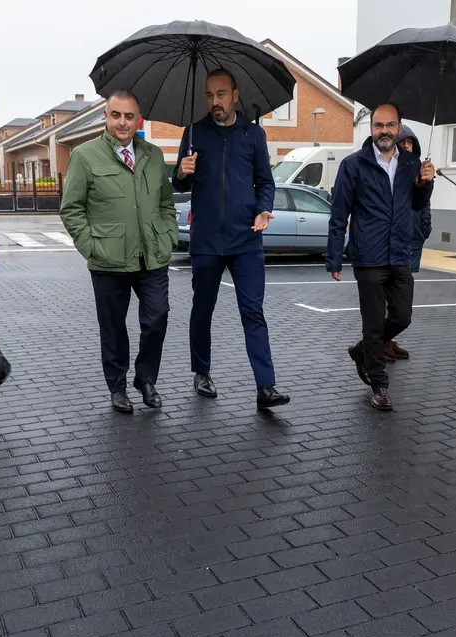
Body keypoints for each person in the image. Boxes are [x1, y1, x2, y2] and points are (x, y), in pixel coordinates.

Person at [173, 69, 290, 412]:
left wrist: (264, 209)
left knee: (253, 312)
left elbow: (265, 182)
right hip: (206, 240)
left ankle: (265, 386)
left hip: (246, 239)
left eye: (221, 94)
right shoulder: (194, 132)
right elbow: (179, 184)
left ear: (235, 96)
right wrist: (181, 172)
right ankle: (201, 372)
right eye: (210, 95)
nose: (215, 102)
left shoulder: (254, 135)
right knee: (202, 309)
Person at [60, 90, 177, 413]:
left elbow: (166, 203)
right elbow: (71, 209)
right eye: (116, 115)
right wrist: (91, 247)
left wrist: (168, 236)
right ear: (106, 117)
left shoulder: (154, 155)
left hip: (152, 256)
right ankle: (117, 386)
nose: (122, 122)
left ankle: (146, 379)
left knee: (157, 317)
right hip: (108, 260)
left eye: (128, 116)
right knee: (113, 328)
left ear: (139, 120)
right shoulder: (85, 156)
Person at [326, 104, 435, 411]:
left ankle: (363, 350)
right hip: (368, 256)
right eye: (378, 125)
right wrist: (334, 257)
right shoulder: (353, 165)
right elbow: (339, 213)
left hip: (400, 252)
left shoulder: (411, 163)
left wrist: (425, 184)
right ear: (371, 128)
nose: (384, 130)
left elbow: (417, 204)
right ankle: (379, 385)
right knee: (373, 324)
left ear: (398, 128)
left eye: (390, 125)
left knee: (402, 316)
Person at [384, 124, 433, 362]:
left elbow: (424, 204)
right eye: (402, 142)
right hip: (395, 243)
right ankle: (380, 343)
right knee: (389, 299)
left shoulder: (419, 169)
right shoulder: (392, 170)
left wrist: (424, 229)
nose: (406, 146)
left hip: (413, 241)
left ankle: (387, 341)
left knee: (399, 299)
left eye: (410, 142)